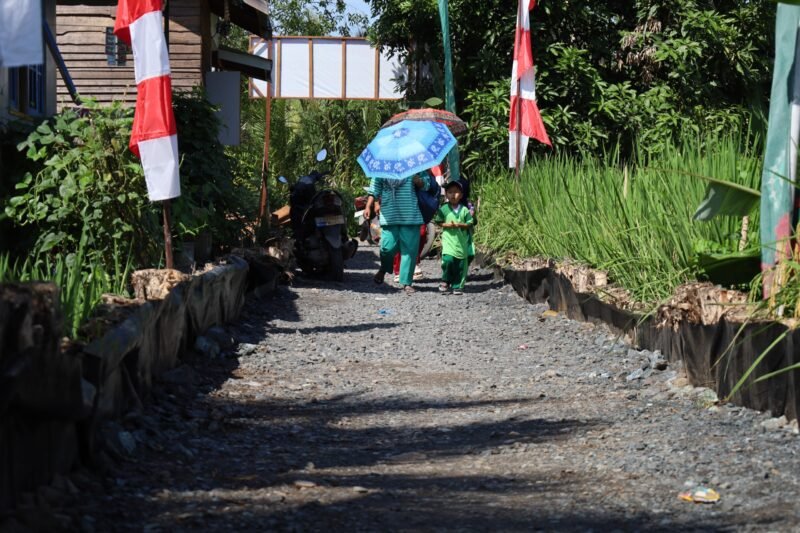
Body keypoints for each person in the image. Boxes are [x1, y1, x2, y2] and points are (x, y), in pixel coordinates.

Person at [363, 172, 428, 294]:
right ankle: (384, 268)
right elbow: (374, 189)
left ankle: (406, 282)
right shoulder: (383, 168)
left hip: (410, 216)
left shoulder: (414, 165)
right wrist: (368, 206)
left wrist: (419, 181)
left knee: (409, 251)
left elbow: (427, 184)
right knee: (387, 247)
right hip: (389, 216)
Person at [433, 180, 474, 295]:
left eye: (456, 192)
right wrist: (447, 225)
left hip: (461, 242)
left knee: (460, 264)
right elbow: (439, 222)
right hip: (448, 241)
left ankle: (457, 285)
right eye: (450, 192)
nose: (453, 195)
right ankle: (446, 279)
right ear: (446, 195)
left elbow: (469, 223)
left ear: (461, 195)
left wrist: (459, 225)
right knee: (448, 260)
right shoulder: (444, 209)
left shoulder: (465, 210)